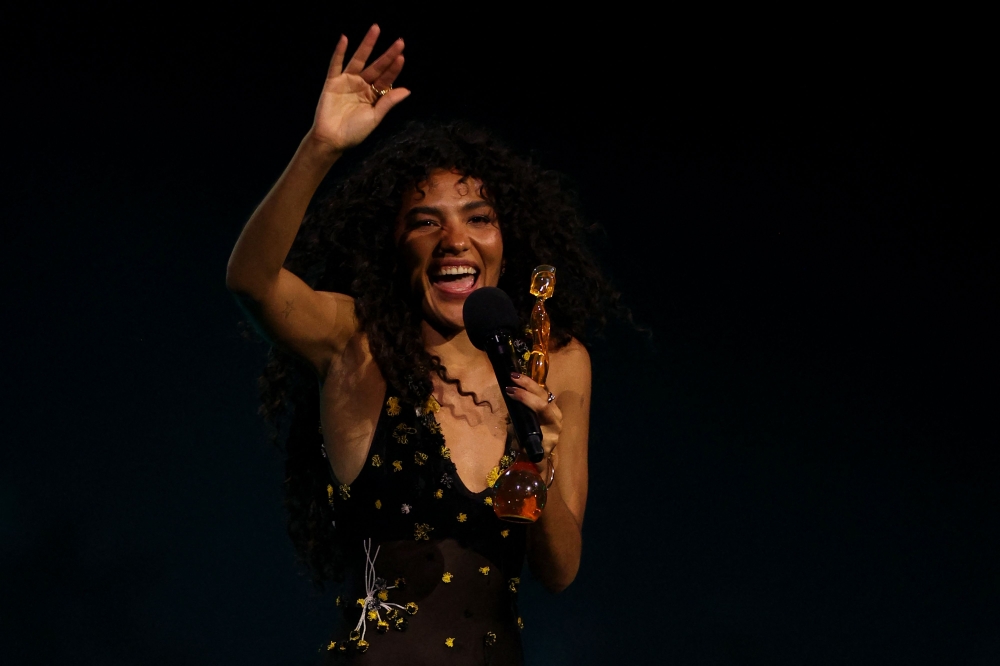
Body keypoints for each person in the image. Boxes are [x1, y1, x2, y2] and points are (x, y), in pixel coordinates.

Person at [226, 25, 619, 664]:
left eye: (478, 218)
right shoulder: (355, 344)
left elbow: (560, 569)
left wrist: (534, 460)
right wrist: (321, 147)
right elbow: (251, 281)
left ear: (505, 240)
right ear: (396, 247)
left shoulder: (557, 365)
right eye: (425, 222)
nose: (454, 240)